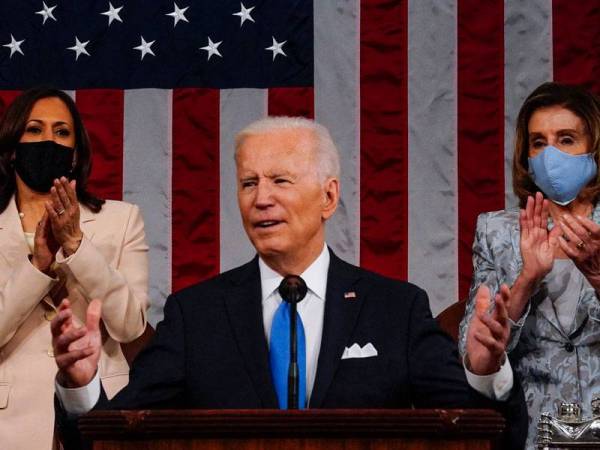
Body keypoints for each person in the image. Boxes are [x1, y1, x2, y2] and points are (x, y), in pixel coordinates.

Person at [53, 117, 526, 448]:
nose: (261, 199)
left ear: (328, 195)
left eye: (281, 180)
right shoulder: (195, 315)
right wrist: (81, 385)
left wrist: (486, 374)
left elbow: (481, 437)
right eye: (247, 183)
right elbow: (111, 437)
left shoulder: (395, 310)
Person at [0, 87, 149, 450]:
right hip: (12, 424)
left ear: (74, 154)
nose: (48, 140)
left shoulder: (122, 219)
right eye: (34, 129)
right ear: (13, 146)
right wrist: (38, 265)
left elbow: (130, 326)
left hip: (99, 412)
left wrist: (76, 245)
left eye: (61, 132)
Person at [458, 82, 600, 448]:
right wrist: (527, 279)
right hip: (533, 435)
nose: (550, 154)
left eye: (566, 139)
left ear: (594, 149)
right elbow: (474, 359)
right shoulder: (497, 231)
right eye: (538, 142)